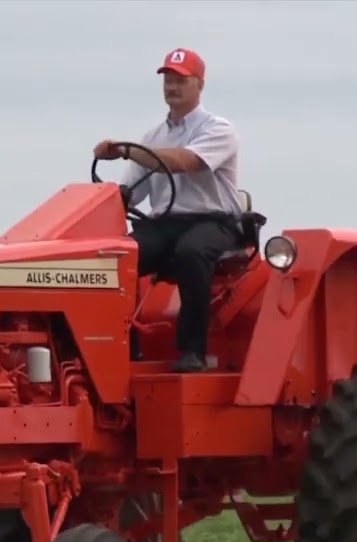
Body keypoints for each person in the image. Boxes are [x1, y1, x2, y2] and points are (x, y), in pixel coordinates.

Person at [93, 47, 244, 373]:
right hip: (166, 222)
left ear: (199, 85)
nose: (172, 87)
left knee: (192, 252)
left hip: (212, 220)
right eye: (168, 80)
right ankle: (126, 350)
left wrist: (126, 151)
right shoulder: (153, 137)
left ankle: (193, 352)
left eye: (180, 80)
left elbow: (182, 162)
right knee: (121, 257)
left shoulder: (217, 129)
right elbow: (129, 194)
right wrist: (99, 203)